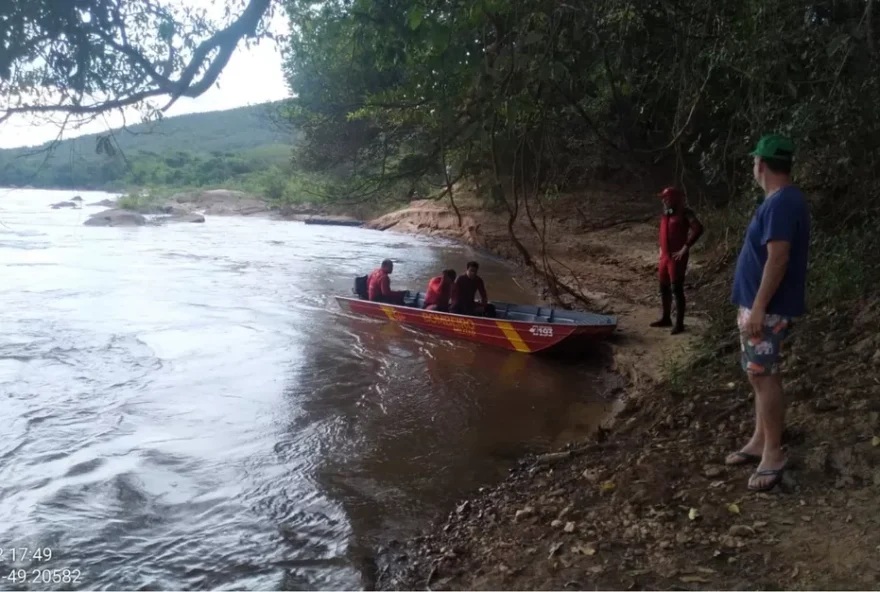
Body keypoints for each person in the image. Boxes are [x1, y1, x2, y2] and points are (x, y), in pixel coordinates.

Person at [725, 134, 810, 492]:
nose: (752, 167)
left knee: (764, 376)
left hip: (768, 309)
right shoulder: (779, 200)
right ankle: (760, 439)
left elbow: (778, 259)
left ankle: (773, 454)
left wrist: (758, 307)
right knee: (757, 375)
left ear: (761, 164)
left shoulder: (782, 203)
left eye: (753, 161)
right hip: (758, 307)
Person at [650, 186, 704, 335]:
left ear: (673, 198)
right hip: (665, 256)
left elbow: (698, 228)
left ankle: (679, 323)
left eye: (665, 198)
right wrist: (661, 248)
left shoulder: (685, 213)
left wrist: (685, 247)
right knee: (663, 287)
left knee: (676, 289)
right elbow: (663, 231)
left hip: (676, 257)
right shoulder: (665, 213)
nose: (663, 200)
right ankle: (666, 318)